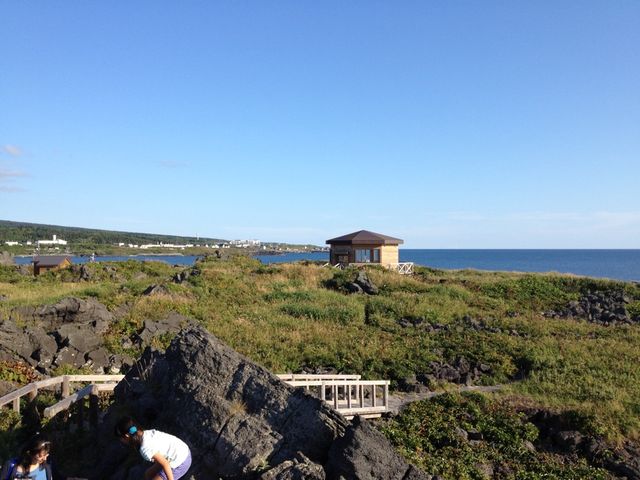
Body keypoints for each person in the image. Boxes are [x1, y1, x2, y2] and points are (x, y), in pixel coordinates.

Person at [114, 416, 191, 480]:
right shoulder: (145, 433)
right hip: (183, 450)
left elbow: (165, 464)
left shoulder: (145, 448)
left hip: (181, 461)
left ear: (127, 436)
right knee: (148, 474)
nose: (121, 441)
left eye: (121, 439)